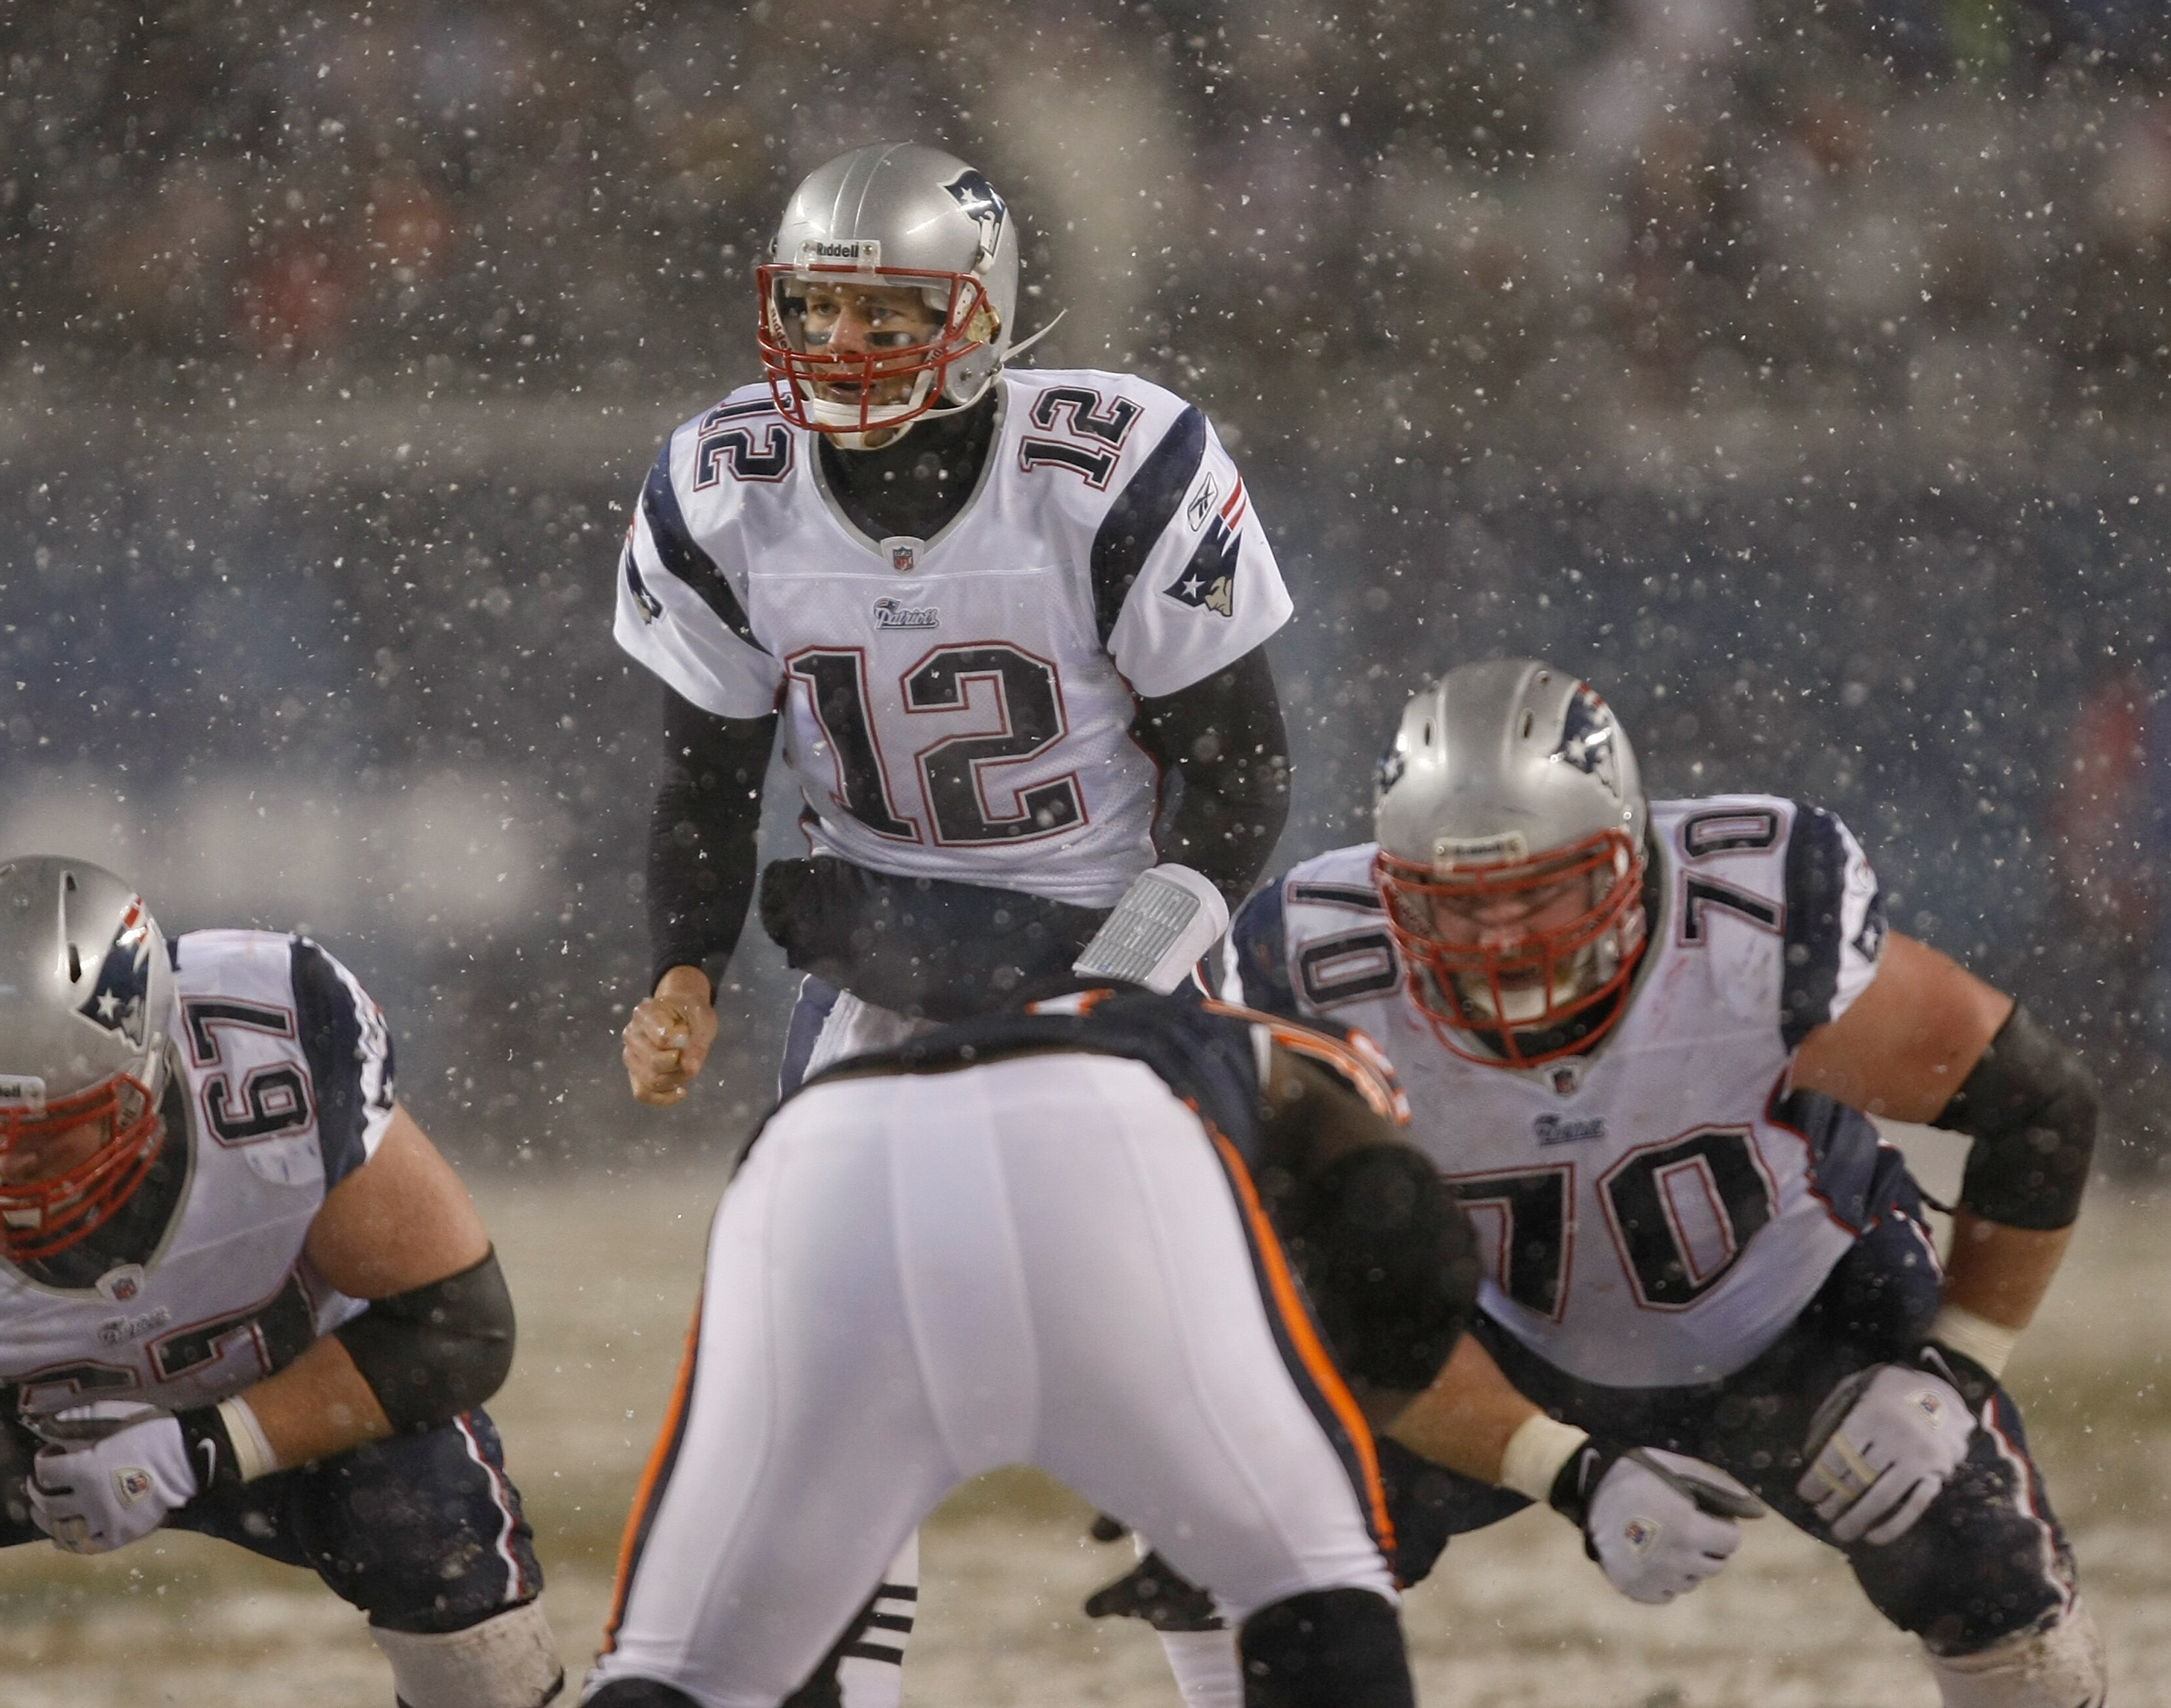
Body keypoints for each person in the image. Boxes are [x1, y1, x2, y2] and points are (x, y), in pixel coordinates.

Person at [612, 138, 1296, 1705]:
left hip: (1129, 919)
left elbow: (1241, 770)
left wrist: (1120, 985)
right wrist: (682, 973)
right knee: (826, 1370)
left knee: (1183, 1371)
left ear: (980, 316)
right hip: (890, 950)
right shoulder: (724, 487)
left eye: (887, 315)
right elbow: (706, 781)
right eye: (818, 311)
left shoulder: (1113, 461)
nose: (844, 351)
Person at [1093, 659, 2106, 1707]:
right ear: (1391, 896)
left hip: (1805, 1315)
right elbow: (1349, 1308)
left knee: (1983, 1570)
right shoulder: (1313, 973)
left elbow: (2039, 1111)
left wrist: (1955, 1373)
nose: (1502, 942)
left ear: (1630, 860)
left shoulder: (1753, 925)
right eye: (1459, 907)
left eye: (1542, 893)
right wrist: (1563, 1467)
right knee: (1230, 1525)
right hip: (1496, 1334)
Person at [0, 856, 561, 1708]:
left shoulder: (274, 1035)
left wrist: (207, 1447)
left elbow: (454, 1328)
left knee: (442, 1541)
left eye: (43, 1136)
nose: (0, 1176)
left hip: (276, 1389)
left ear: (147, 1078)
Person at [586, 913, 1488, 1708]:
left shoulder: (1125, 1031)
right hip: (1094, 1144)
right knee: (1317, 1588)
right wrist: (1274, 1461)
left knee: (691, 1676)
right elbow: (1408, 1249)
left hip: (821, 1148)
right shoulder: (1288, 1069)